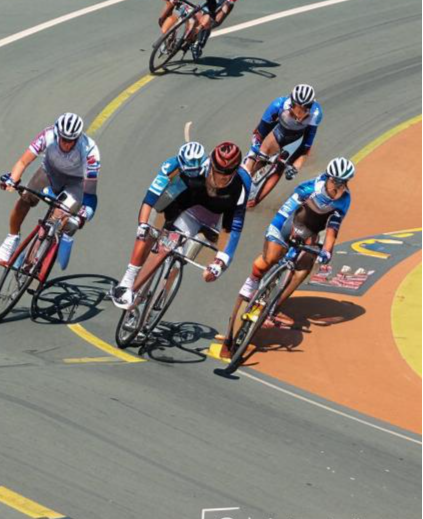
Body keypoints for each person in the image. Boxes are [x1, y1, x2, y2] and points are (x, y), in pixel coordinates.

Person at [220, 157, 354, 356]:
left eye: (343, 182)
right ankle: (245, 300)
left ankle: (273, 308)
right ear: (328, 177)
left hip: (310, 233)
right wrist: (283, 234)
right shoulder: (310, 188)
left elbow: (333, 229)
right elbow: (285, 212)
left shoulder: (344, 200)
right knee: (269, 260)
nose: (338, 186)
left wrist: (327, 251)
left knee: (304, 268)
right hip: (287, 224)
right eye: (335, 181)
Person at [111, 141, 250, 308]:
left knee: (180, 260)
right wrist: (152, 223)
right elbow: (168, 197)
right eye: (217, 171)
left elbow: (234, 227)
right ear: (210, 163)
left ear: (235, 171)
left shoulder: (241, 186)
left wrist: (220, 262)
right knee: (164, 244)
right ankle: (130, 289)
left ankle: (161, 296)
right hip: (188, 211)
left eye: (227, 174)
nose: (221, 178)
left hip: (211, 223)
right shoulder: (197, 169)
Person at [0, 112, 99, 265]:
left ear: (78, 137)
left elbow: (89, 190)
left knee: (66, 215)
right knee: (25, 198)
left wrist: (83, 213)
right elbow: (23, 162)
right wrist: (12, 180)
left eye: (71, 140)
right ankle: (12, 239)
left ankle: (53, 241)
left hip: (74, 183)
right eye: (64, 139)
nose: (67, 144)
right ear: (57, 134)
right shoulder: (48, 135)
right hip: (49, 174)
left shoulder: (89, 149)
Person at [243, 84, 322, 196]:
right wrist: (254, 152)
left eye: (305, 109)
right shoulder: (278, 105)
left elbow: (306, 145)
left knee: (290, 165)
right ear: (292, 104)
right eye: (298, 108)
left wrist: (295, 168)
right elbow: (259, 134)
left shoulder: (316, 114)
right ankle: (243, 177)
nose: (301, 114)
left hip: (297, 138)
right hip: (280, 131)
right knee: (257, 158)